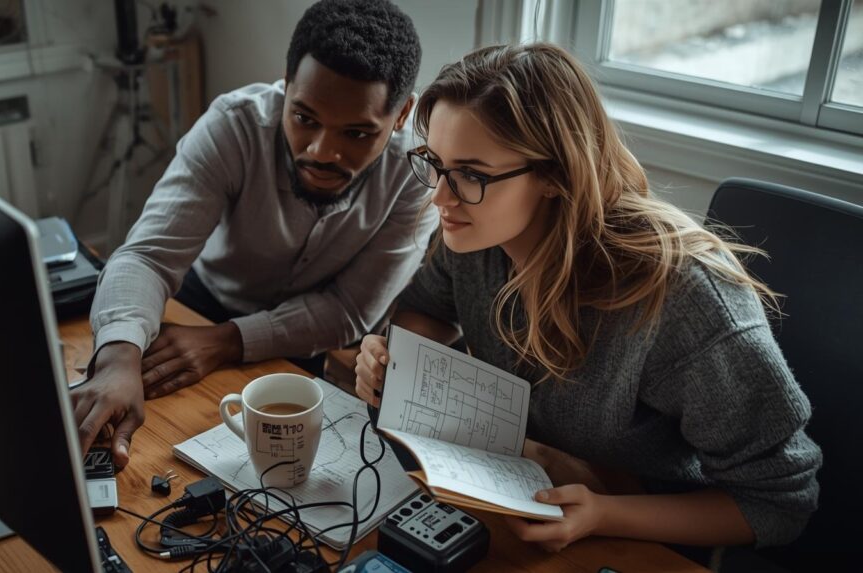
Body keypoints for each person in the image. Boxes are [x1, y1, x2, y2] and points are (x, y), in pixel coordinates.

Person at [354, 43, 821, 552]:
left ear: (554, 175)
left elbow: (779, 502)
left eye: (472, 175)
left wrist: (603, 514)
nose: (440, 197)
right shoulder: (475, 235)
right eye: (435, 164)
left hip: (642, 533)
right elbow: (427, 310)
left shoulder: (685, 302)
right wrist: (399, 364)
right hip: (524, 491)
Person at [73, 0, 436, 468]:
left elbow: (350, 310)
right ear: (286, 87)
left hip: (301, 340)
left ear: (402, 114)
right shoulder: (233, 125)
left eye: (356, 133)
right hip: (199, 307)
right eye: (304, 119)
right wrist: (118, 357)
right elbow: (147, 258)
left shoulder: (417, 176)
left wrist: (225, 341)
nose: (322, 152)